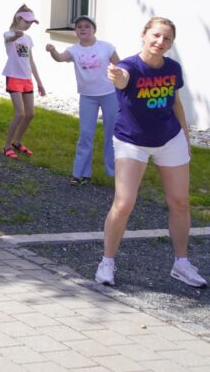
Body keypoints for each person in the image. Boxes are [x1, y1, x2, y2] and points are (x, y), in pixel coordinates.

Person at [96, 17, 205, 289]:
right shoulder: (129, 66)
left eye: (167, 38)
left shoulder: (172, 68)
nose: (160, 42)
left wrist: (185, 135)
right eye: (156, 35)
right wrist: (117, 76)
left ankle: (181, 263)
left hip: (169, 138)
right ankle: (107, 262)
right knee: (124, 203)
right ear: (143, 35)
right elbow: (122, 79)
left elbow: (175, 101)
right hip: (132, 141)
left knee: (180, 202)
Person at [46, 16, 120, 185]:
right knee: (86, 134)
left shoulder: (106, 47)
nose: (83, 29)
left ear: (94, 29)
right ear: (75, 31)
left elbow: (121, 66)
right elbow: (60, 57)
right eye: (79, 26)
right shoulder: (74, 50)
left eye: (87, 26)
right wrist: (52, 51)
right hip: (87, 97)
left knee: (112, 134)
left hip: (109, 94)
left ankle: (114, 171)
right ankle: (81, 173)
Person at [3, 5, 46, 159]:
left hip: (27, 79)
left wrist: (39, 82)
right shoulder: (8, 34)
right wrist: (15, 36)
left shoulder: (28, 39)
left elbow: (31, 61)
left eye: (31, 23)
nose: (28, 25)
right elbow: (9, 39)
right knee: (20, 113)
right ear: (18, 19)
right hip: (13, 77)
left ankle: (17, 142)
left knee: (30, 114)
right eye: (26, 22)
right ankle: (6, 146)